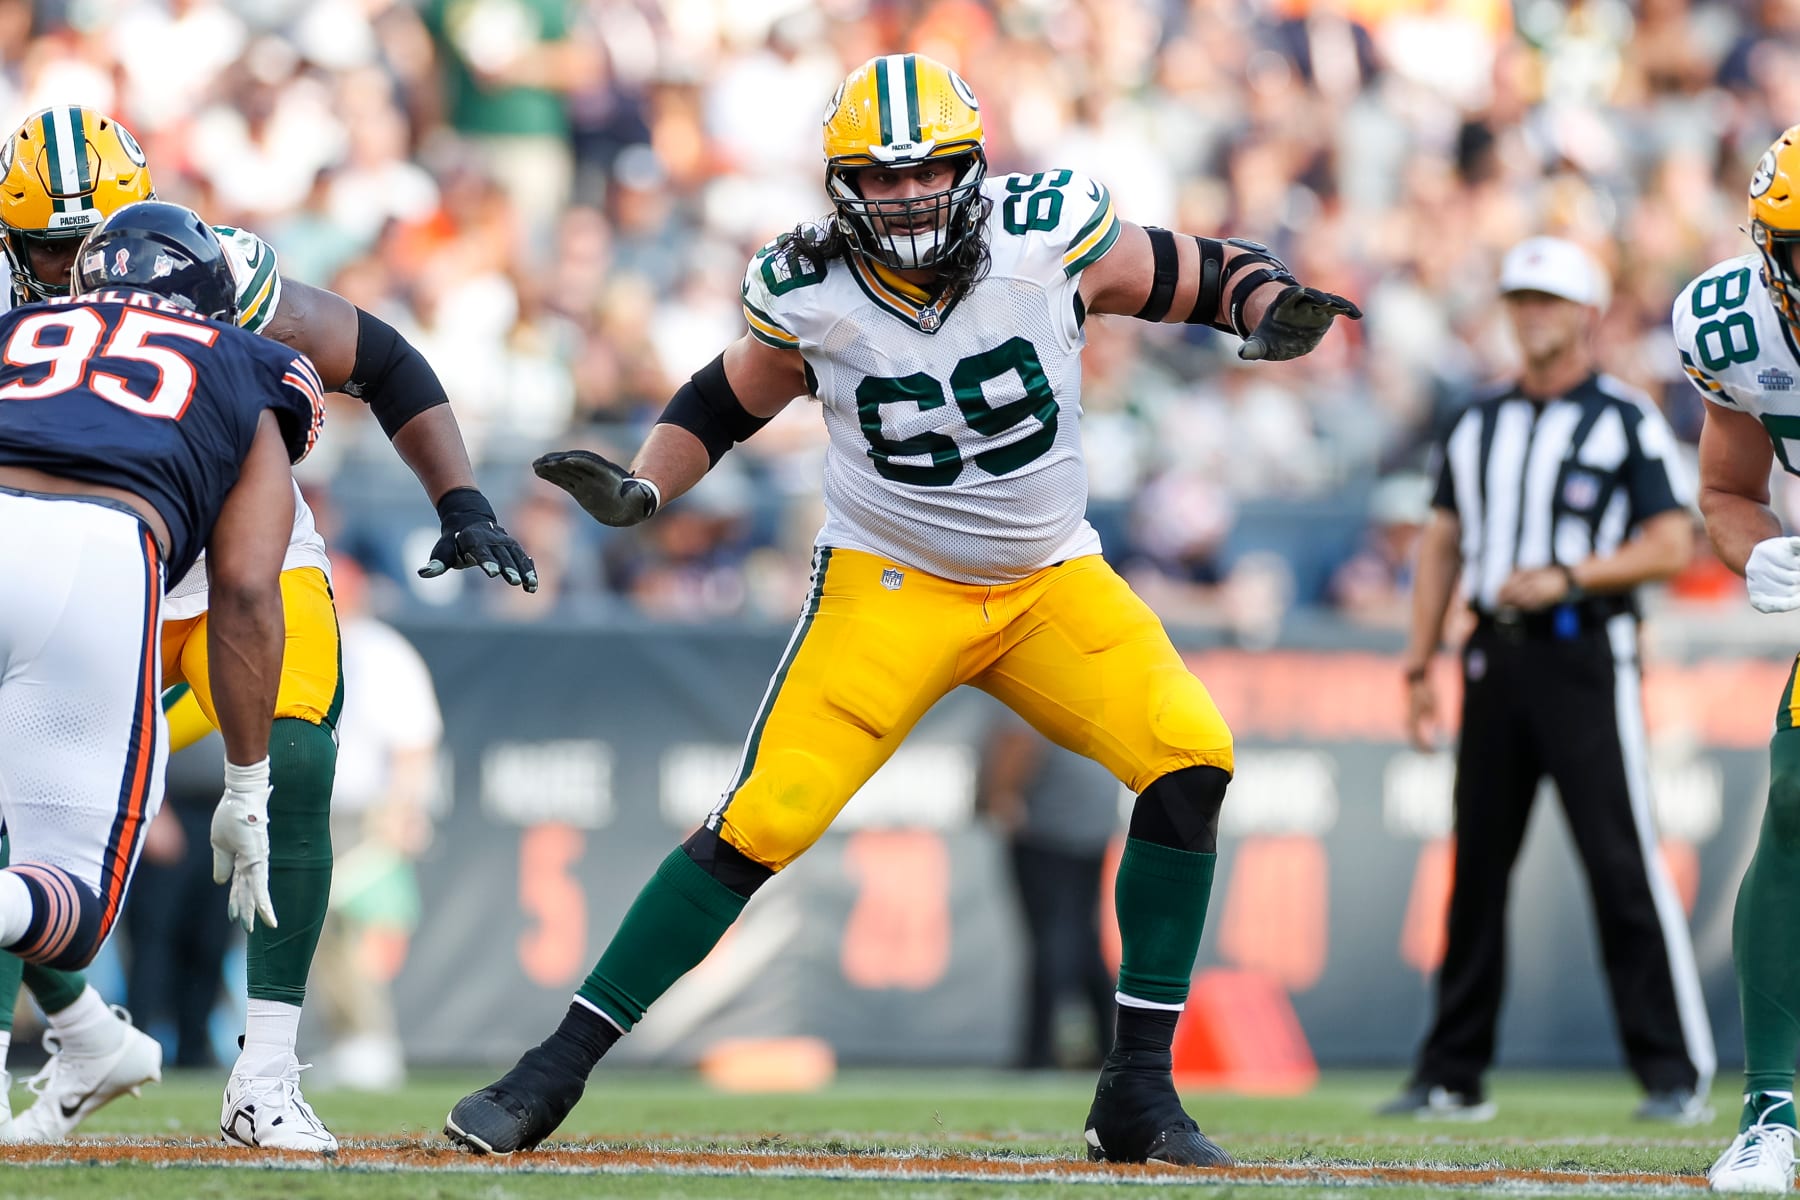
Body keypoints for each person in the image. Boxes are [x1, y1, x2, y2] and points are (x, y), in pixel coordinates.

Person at [446, 53, 1359, 1165]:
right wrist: (648, 487)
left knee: (1191, 756)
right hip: (891, 580)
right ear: (840, 187)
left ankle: (1138, 1095)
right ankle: (552, 1071)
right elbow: (721, 401)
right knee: (763, 816)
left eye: (926, 170)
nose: (906, 195)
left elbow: (1199, 271)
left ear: (974, 166)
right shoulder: (806, 287)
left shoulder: (1049, 232)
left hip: (1044, 578)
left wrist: (1266, 303)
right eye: (877, 179)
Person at [0, 105, 534, 1152]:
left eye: (94, 240)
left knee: (292, 767)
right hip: (101, 569)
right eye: (53, 254)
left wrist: (460, 498)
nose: (80, 276)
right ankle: (76, 1030)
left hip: (235, 555)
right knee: (32, 820)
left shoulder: (211, 271)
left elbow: (383, 359)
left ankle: (267, 1073)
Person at [0, 200, 322, 1136]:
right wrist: (248, 786)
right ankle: (96, 1035)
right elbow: (251, 590)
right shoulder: (243, 360)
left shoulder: (19, 327)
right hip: (95, 562)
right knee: (68, 909)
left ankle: (92, 1038)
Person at [1380, 236, 1710, 1123]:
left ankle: (1672, 1073)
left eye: (1549, 301)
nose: (1531, 315)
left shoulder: (1624, 417)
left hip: (1583, 654)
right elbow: (1443, 539)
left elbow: (1673, 542)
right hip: (1493, 653)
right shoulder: (1476, 419)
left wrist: (1573, 576)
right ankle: (1452, 1073)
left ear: (1587, 315)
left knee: (1619, 859)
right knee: (1476, 869)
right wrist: (1419, 662)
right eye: (1520, 299)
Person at [1678, 124, 1800, 1194]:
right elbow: (1727, 489)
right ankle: (1775, 1111)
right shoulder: (1736, 327)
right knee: (1799, 804)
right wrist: (1763, 558)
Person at [312, 555, 443, 1092]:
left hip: (363, 811)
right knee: (319, 930)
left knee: (350, 927)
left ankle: (369, 1041)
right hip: (315, 806)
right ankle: (349, 1039)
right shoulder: (306, 644)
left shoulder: (380, 651)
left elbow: (414, 740)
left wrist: (402, 808)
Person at [978, 710, 1120, 1070]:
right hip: (1092, 823)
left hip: (1050, 825)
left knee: (1052, 937)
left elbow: (1018, 740)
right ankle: (1111, 1045)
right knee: (1081, 937)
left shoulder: (1026, 673)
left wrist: (1000, 797)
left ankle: (1039, 1050)